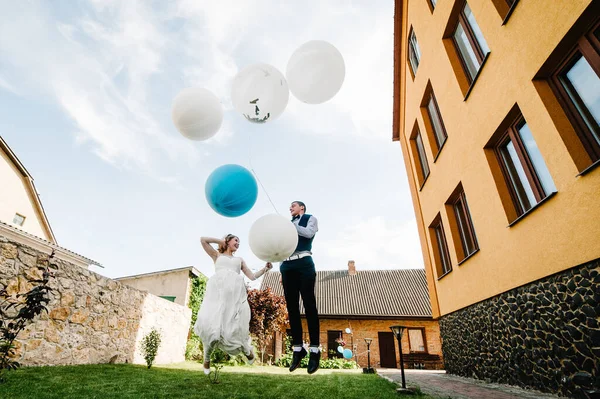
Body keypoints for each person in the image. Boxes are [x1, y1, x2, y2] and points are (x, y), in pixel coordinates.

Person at [194, 234, 272, 374]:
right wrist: (221, 241)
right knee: (213, 329)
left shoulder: (239, 260)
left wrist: (265, 269)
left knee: (234, 329)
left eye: (239, 242)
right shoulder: (217, 255)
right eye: (236, 240)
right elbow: (203, 240)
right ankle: (206, 359)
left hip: (234, 299)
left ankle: (246, 349)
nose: (238, 243)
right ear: (228, 241)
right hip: (217, 297)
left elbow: (252, 276)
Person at [280, 201, 320, 374]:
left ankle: (314, 351)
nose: (290, 208)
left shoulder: (310, 219)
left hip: (304, 263)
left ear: (302, 208)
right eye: (289, 206)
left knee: (309, 306)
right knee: (292, 308)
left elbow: (309, 233)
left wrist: (292, 226)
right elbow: (282, 246)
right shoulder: (287, 225)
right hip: (287, 266)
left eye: (293, 206)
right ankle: (298, 349)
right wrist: (282, 270)